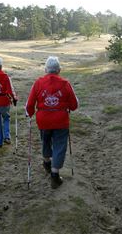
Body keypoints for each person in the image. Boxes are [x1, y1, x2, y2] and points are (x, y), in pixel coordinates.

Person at [26, 56, 78, 189]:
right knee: (60, 145)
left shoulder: (38, 83)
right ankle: (55, 175)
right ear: (59, 70)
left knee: (45, 139)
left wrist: (30, 113)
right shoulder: (65, 84)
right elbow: (74, 105)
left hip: (43, 119)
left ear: (45, 69)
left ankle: (46, 161)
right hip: (60, 120)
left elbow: (30, 103)